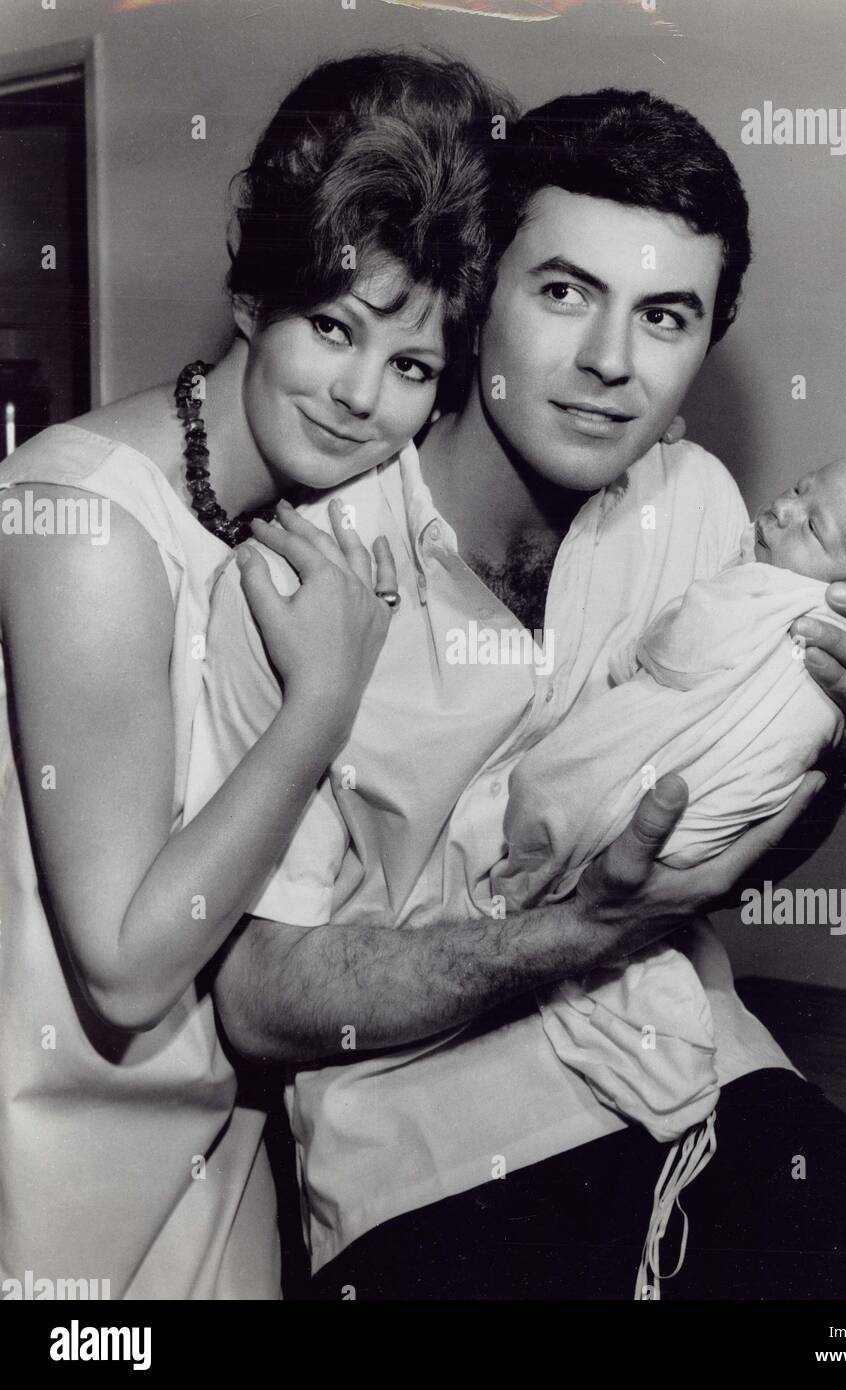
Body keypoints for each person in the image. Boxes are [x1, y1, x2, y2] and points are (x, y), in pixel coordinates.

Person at [194, 88, 846, 1300]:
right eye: (564, 292)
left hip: (704, 1082)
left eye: (663, 315)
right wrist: (570, 932)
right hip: (430, 1156)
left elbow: (728, 849)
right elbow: (255, 1000)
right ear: (474, 296)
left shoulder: (709, 512)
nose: (612, 363)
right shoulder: (302, 572)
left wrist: (836, 749)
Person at [0, 51, 510, 1300]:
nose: (357, 397)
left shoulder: (321, 522)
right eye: (333, 328)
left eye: (411, 366)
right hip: (47, 1155)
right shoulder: (85, 523)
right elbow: (124, 965)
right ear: (252, 295)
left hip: (220, 1134)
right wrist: (320, 705)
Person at [496, 454, 846, 903]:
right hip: (695, 840)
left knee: (557, 790)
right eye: (798, 488)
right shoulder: (844, 628)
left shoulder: (771, 591)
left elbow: (676, 647)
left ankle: (528, 880)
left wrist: (637, 653)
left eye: (813, 527)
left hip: (641, 809)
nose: (784, 508)